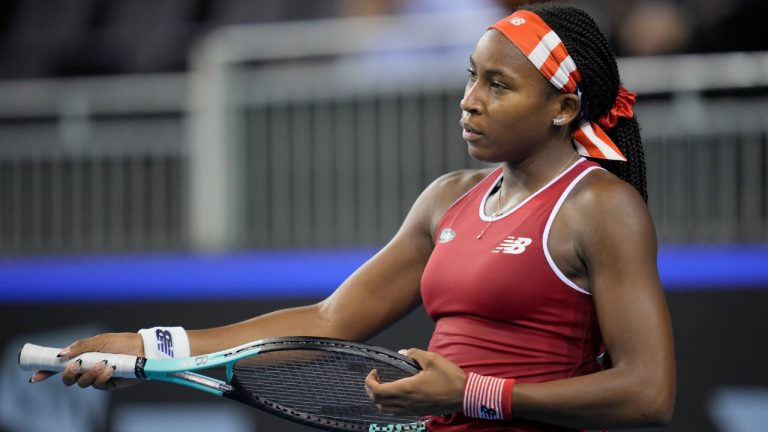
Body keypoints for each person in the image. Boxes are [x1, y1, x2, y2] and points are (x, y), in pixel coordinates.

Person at [32, 3, 675, 430]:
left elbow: (649, 393)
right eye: (471, 77)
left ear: (563, 108)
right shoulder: (447, 197)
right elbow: (325, 322)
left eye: (498, 86)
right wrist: (147, 348)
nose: (468, 102)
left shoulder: (600, 206)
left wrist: (473, 393)